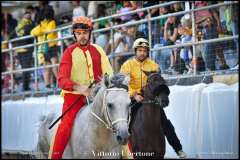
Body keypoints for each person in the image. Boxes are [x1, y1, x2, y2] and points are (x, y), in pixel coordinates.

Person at [48, 16, 113, 159]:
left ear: (90, 32)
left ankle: (129, 155)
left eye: (84, 33)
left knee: (119, 119)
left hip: (97, 97)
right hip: (73, 98)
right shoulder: (69, 52)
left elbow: (109, 74)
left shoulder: (99, 50)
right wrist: (80, 88)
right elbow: (62, 80)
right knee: (65, 126)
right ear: (74, 34)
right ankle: (55, 157)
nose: (82, 36)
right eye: (78, 33)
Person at [120, 38, 187, 158]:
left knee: (166, 124)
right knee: (122, 124)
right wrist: (134, 94)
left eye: (144, 51)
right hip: (132, 99)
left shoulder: (154, 65)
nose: (142, 53)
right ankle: (120, 150)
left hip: (150, 100)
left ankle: (178, 149)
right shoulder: (127, 65)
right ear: (135, 51)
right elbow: (123, 85)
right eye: (140, 50)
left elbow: (158, 84)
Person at [31, 6, 59, 89]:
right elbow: (49, 32)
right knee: (53, 65)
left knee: (48, 66)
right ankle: (56, 84)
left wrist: (41, 30)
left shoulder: (41, 24)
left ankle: (49, 85)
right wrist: (44, 30)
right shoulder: (51, 22)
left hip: (44, 47)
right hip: (51, 46)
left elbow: (34, 32)